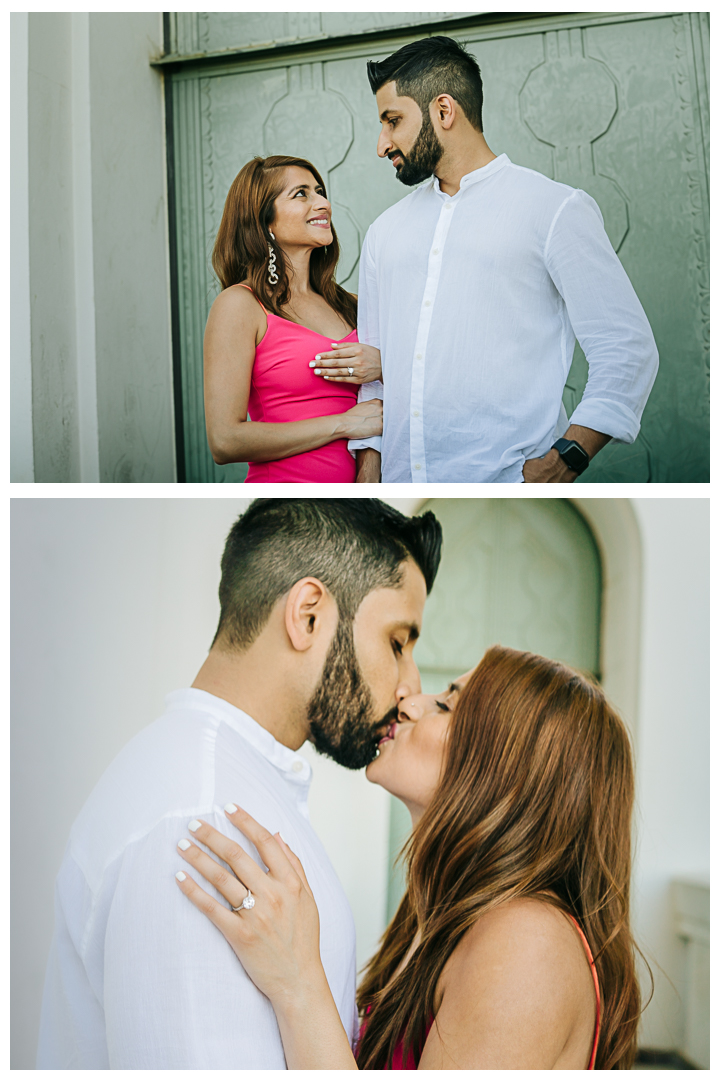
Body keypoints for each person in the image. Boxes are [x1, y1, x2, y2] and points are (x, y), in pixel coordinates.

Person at [36, 499, 442, 1068]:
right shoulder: (201, 820)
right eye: (398, 643)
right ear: (307, 616)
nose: (410, 685)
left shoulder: (227, 789)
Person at [175, 646, 645, 1069]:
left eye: (446, 705)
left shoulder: (527, 942)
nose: (411, 701)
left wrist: (298, 983)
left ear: (507, 771)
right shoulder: (439, 916)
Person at [311, 36, 660, 483]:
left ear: (443, 110)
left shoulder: (554, 210)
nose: (383, 144)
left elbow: (626, 348)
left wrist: (564, 460)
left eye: (392, 121)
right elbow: (375, 375)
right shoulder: (386, 233)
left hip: (509, 494)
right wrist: (368, 481)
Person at [204, 156, 383, 482]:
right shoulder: (240, 306)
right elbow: (224, 441)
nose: (323, 203)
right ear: (264, 221)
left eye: (319, 191)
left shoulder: (355, 306)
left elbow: (381, 405)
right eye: (301, 194)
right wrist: (343, 424)